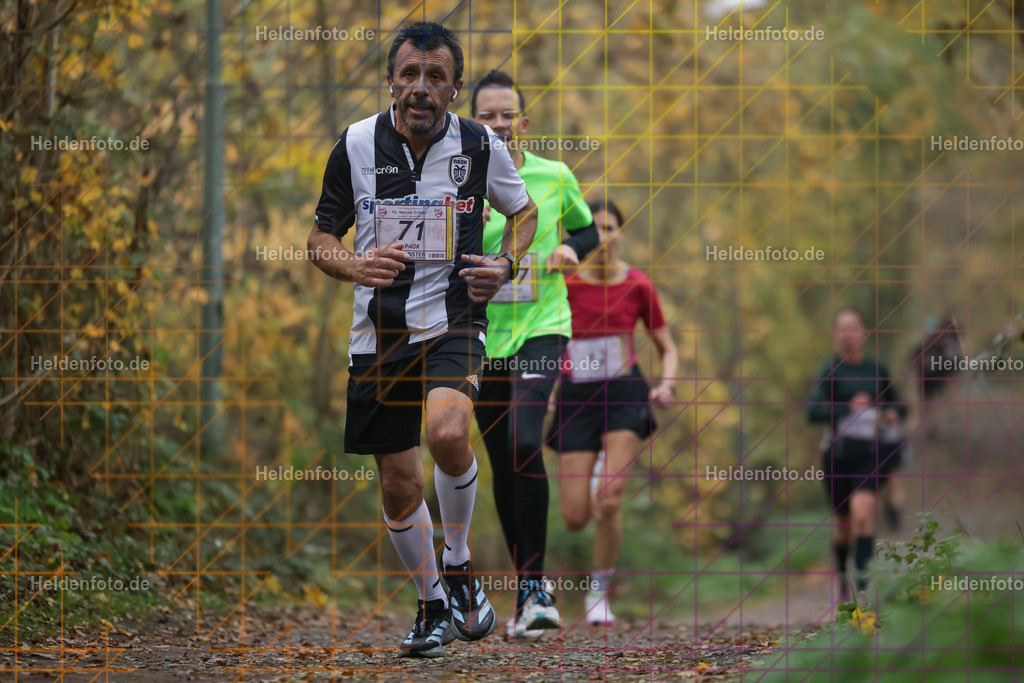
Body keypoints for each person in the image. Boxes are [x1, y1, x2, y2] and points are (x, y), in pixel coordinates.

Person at [307, 22, 538, 658]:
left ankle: (460, 564)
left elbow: (524, 215)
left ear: (455, 89)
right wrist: (352, 265)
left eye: (436, 78)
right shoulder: (354, 145)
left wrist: (506, 266)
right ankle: (433, 602)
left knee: (446, 432)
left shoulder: (481, 146)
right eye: (409, 75)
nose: (420, 89)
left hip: (455, 318)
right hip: (378, 336)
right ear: (391, 80)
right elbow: (320, 238)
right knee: (399, 485)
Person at [469, 70, 600, 639]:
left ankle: (538, 588)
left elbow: (588, 230)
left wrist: (571, 248)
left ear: (523, 123)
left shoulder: (554, 175)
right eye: (486, 115)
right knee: (503, 460)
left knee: (526, 440)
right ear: (471, 123)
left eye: (506, 115)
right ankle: (526, 592)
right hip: (479, 336)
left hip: (544, 327)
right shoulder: (458, 181)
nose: (497, 124)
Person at [547, 198, 678, 626]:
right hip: (575, 397)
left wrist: (667, 384)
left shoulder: (638, 285)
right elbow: (545, 340)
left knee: (610, 501)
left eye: (610, 228)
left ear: (621, 234)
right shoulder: (562, 284)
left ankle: (597, 594)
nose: (602, 237)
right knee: (574, 517)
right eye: (595, 229)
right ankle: (599, 461)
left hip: (625, 394)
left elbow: (667, 347)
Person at [806, 308, 907, 598]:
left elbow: (898, 404)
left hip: (870, 453)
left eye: (853, 327)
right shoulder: (830, 370)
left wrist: (890, 413)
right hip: (838, 455)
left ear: (863, 332)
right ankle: (841, 577)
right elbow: (812, 413)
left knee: (863, 514)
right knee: (845, 528)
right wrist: (847, 408)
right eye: (842, 328)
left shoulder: (877, 370)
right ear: (837, 334)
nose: (849, 333)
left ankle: (862, 593)